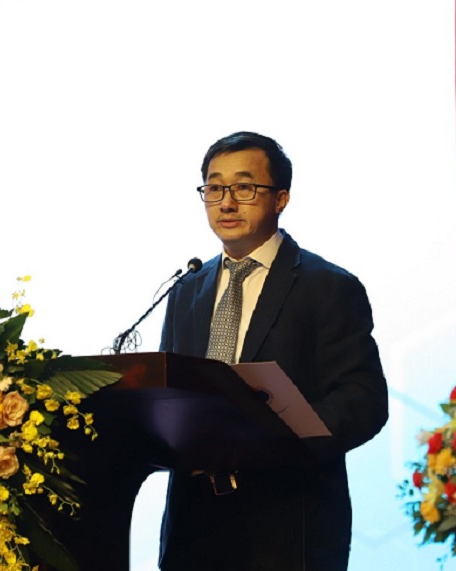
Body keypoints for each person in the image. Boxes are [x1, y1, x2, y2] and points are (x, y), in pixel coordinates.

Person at [158, 131, 389, 571]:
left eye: (244, 187)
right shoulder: (186, 290)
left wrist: (268, 441)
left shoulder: (328, 286)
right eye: (214, 188)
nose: (227, 203)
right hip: (193, 531)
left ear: (281, 198)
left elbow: (363, 401)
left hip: (287, 530)